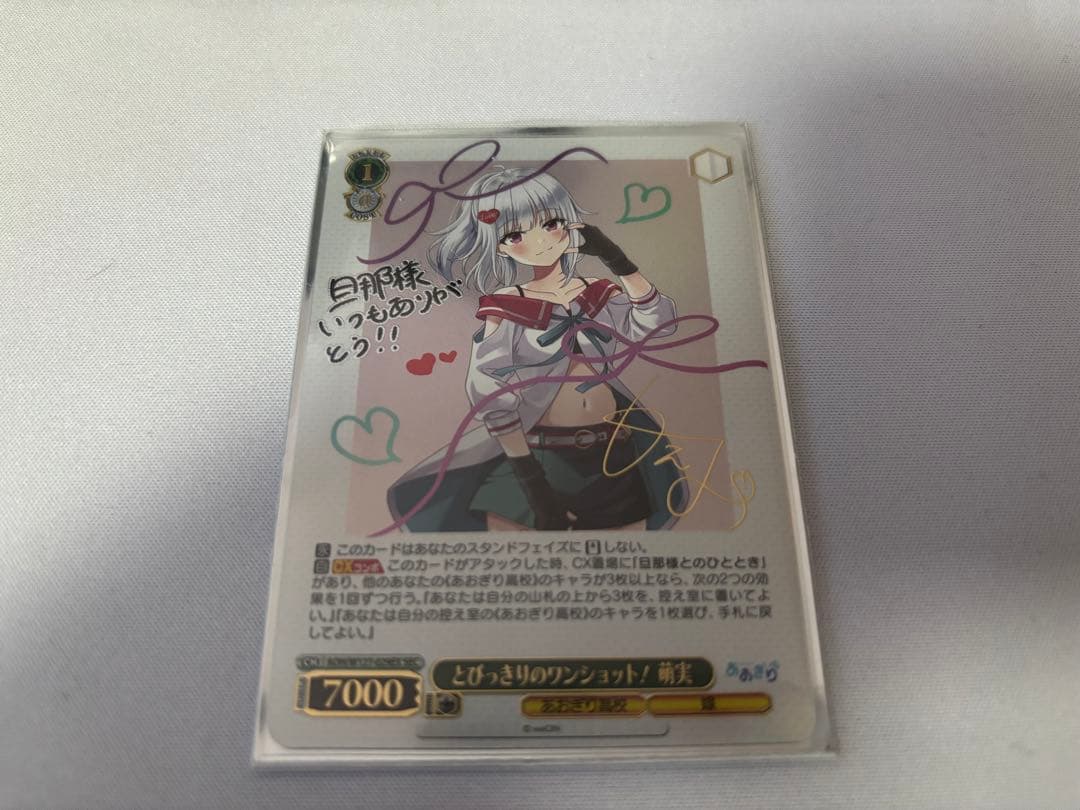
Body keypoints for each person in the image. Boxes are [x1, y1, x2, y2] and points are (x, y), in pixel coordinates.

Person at [387, 167, 687, 531]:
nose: (541, 240)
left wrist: (618, 261)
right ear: (499, 245)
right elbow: (489, 392)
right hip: (540, 457)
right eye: (515, 235)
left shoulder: (596, 292)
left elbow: (659, 323)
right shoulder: (507, 306)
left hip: (615, 450)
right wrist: (533, 484)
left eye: (551, 223)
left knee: (618, 555)